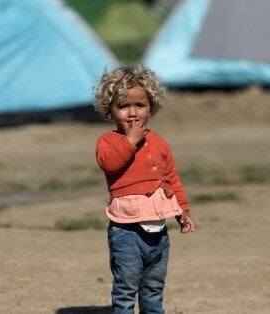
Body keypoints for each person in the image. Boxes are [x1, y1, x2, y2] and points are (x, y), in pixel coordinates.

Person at [94, 64, 195, 313]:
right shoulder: (108, 141)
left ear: (152, 107)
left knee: (153, 286)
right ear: (110, 110)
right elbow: (110, 163)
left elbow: (171, 178)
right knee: (126, 288)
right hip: (126, 232)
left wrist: (182, 210)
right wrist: (130, 141)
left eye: (140, 105)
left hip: (158, 233)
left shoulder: (159, 142)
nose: (132, 113)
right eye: (123, 106)